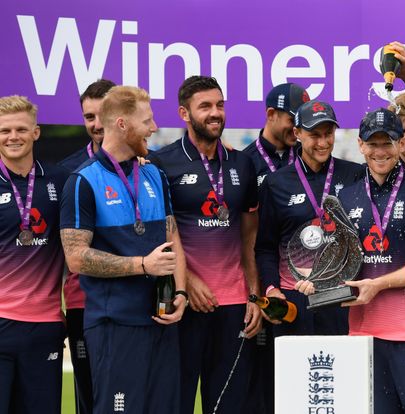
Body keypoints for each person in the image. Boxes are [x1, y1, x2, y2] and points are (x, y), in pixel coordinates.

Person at [296, 108, 405, 413]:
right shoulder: (348, 196)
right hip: (363, 335)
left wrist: (377, 285)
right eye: (373, 143)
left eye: (388, 142)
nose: (380, 151)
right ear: (360, 144)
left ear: (399, 142)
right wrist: (316, 279)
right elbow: (339, 261)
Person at [60, 86, 187, 412]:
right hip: (115, 325)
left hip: (162, 320)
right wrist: (142, 265)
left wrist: (181, 294)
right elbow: (76, 258)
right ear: (121, 124)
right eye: (147, 120)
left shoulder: (153, 172)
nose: (154, 127)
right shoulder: (83, 181)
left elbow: (172, 240)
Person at [150, 76, 262, 413]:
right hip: (185, 304)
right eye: (205, 107)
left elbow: (249, 237)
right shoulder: (161, 163)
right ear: (184, 113)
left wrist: (253, 293)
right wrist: (188, 282)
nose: (215, 113)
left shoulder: (242, 163)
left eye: (220, 105)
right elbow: (161, 236)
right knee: (177, 403)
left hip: (233, 306)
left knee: (229, 405)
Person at [255, 100, 363, 336]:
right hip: (295, 296)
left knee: (342, 371)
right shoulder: (276, 183)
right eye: (315, 135)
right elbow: (265, 247)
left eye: (328, 134)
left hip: (342, 296)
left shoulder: (355, 175)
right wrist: (272, 289)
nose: (323, 143)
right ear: (297, 133)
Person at [241, 82, 310, 414]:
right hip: (260, 291)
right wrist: (254, 293)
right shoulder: (243, 163)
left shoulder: (308, 158)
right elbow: (243, 238)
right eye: (293, 121)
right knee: (260, 390)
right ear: (271, 114)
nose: (298, 131)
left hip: (302, 293)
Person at [0, 95, 68, 413]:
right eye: (5, 131)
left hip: (45, 325)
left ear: (36, 133)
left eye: (21, 129)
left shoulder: (61, 180)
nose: (13, 137)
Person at [58, 78, 115, 414]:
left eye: (101, 114)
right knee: (89, 397)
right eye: (88, 116)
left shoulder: (149, 164)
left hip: (136, 301)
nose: (95, 124)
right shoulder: (68, 171)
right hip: (84, 302)